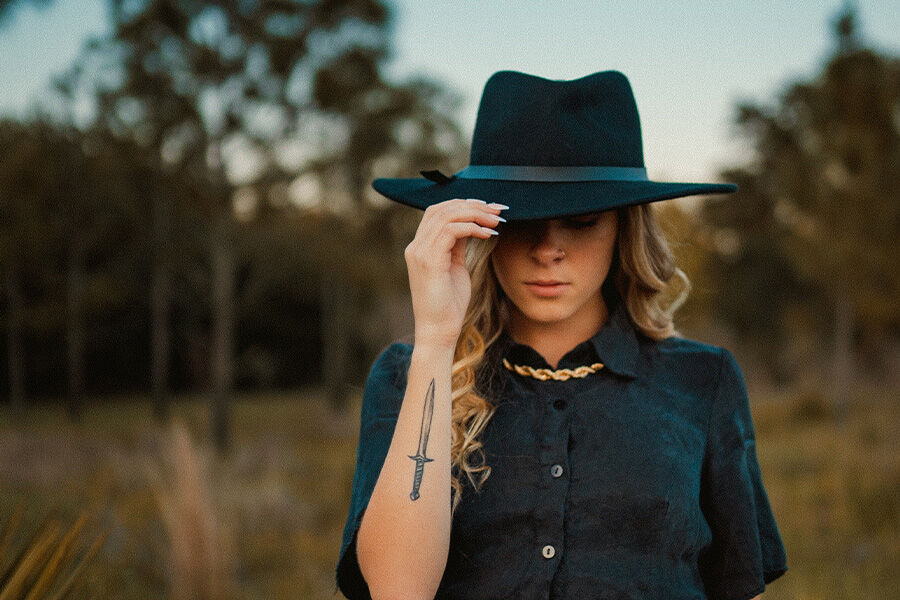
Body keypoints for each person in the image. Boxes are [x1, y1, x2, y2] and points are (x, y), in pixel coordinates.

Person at [334, 70, 788, 600]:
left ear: (623, 226)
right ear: (480, 225)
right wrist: (436, 340)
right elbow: (396, 590)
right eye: (519, 218)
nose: (548, 249)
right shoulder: (407, 377)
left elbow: (739, 587)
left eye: (582, 219)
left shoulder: (701, 380)